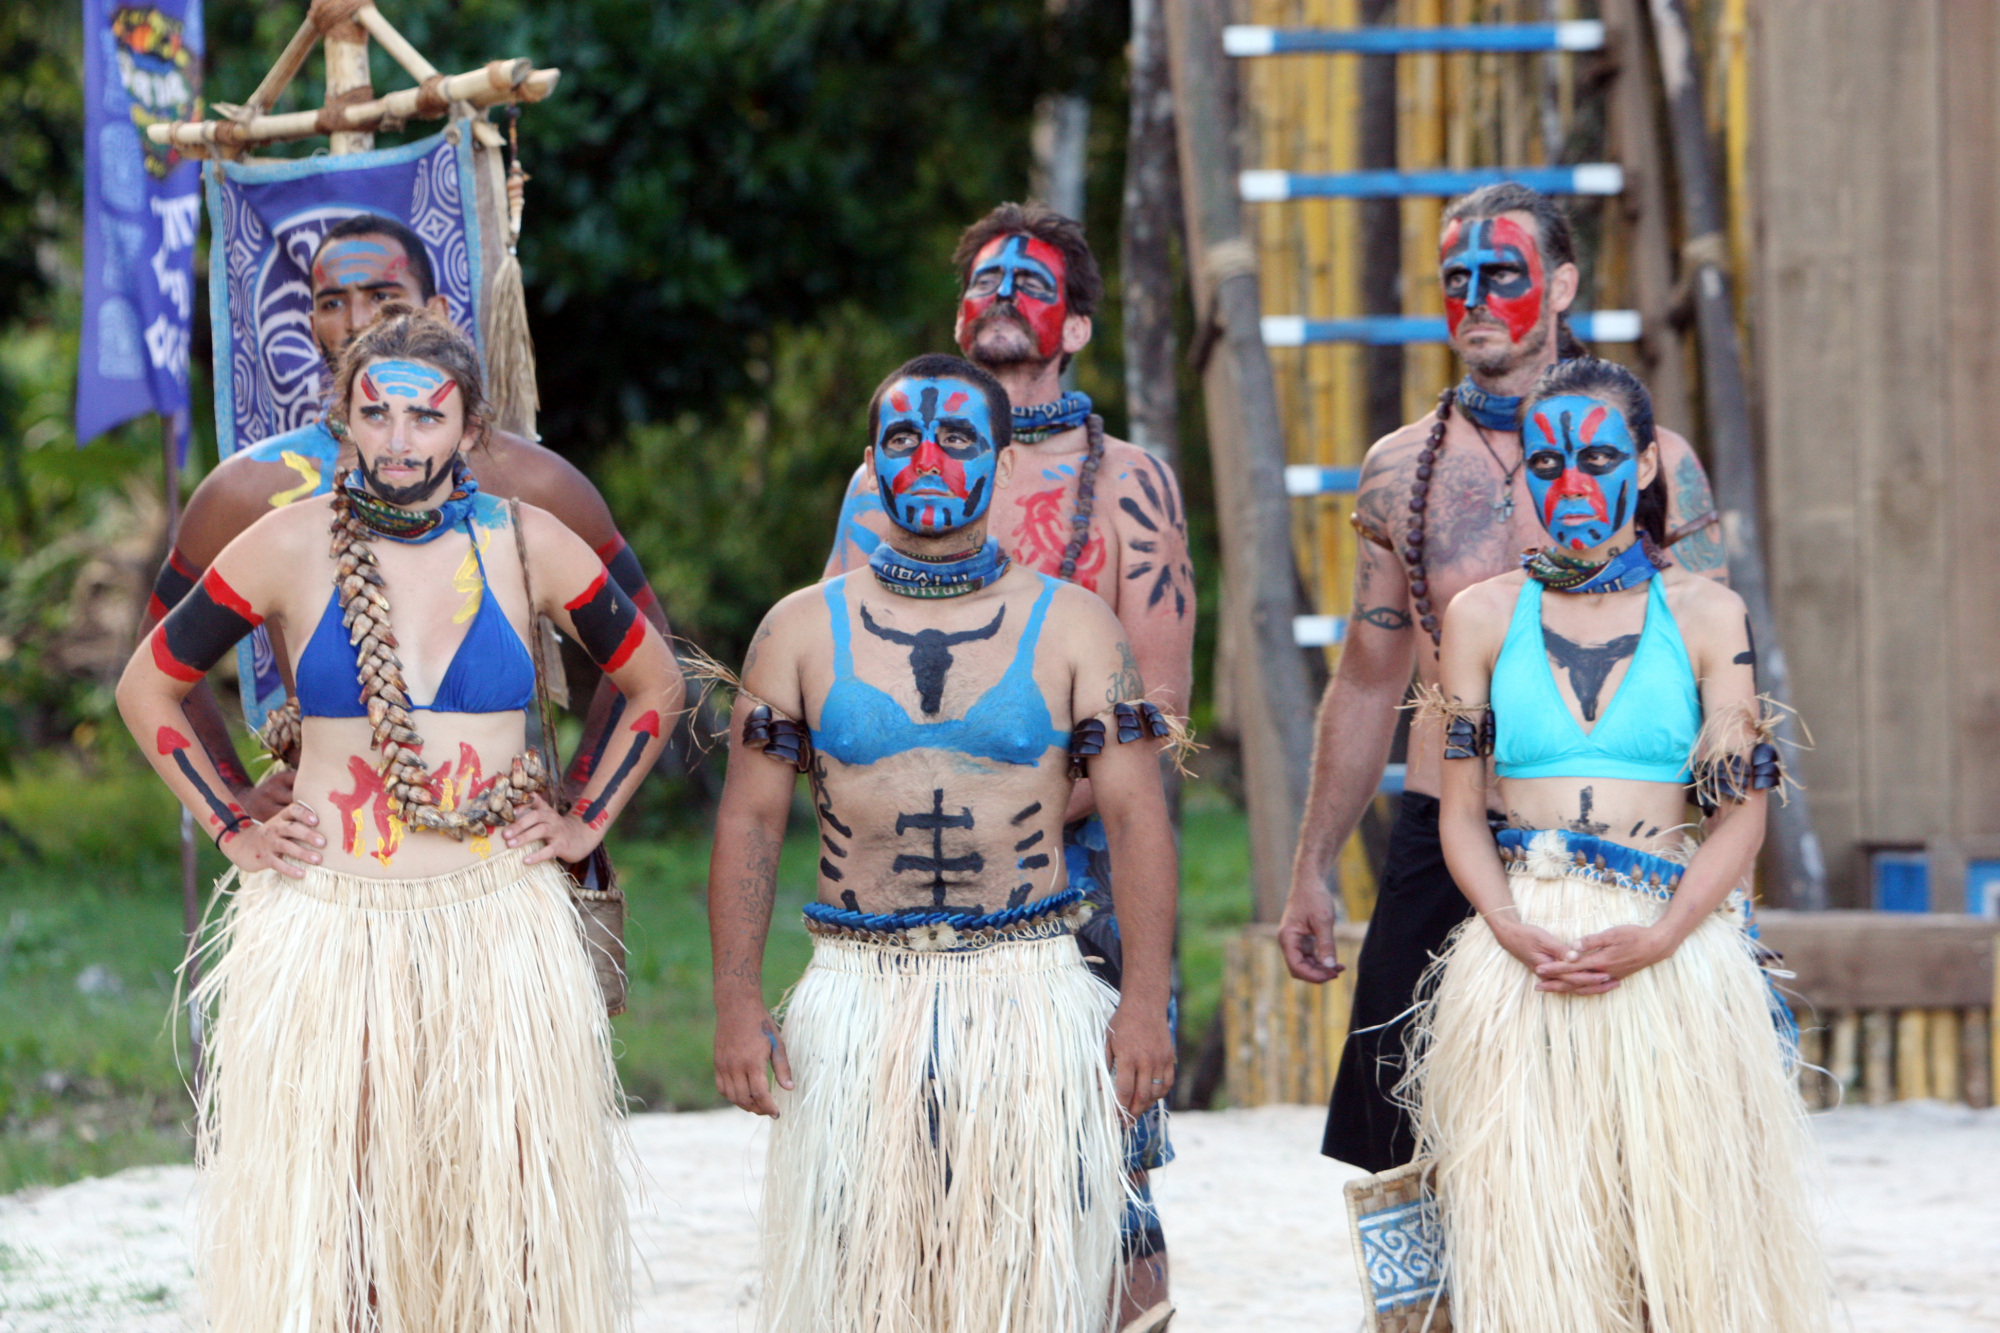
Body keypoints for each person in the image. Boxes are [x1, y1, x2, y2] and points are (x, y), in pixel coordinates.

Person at [116, 307, 682, 1331]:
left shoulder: (528, 543)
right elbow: (146, 684)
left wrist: (584, 820)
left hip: (495, 918)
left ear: (469, 431)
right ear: (345, 422)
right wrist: (231, 825)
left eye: (426, 416)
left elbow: (652, 681)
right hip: (332, 919)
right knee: (337, 1207)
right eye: (374, 413)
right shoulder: (283, 543)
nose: (398, 437)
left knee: (503, 1208)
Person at [713, 353, 1178, 1333]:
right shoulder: (798, 630)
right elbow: (749, 820)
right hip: (857, 991)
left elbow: (1136, 815)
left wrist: (1141, 1004)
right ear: (870, 467)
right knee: (872, 1276)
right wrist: (736, 1002)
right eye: (901, 440)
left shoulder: (1074, 627)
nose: (927, 459)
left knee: (1025, 1279)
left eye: (958, 438)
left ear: (1005, 467)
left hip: (1026, 983)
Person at [1278, 183, 1731, 1173]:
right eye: (1454, 280)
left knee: (1629, 1152)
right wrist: (1312, 861)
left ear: (1561, 283)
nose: (1474, 297)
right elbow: (1365, 678)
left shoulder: (1654, 465)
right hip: (1446, 827)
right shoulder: (1402, 470)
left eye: (1501, 275)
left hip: (1616, 843)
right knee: (1403, 1149)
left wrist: (1705, 875)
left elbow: (1712, 679)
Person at [824, 204, 1192, 1323]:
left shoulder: (1129, 484)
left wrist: (1022, 809)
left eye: (1025, 284)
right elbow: (840, 672)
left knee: (1106, 1172)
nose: (995, 298)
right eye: (980, 282)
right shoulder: (876, 483)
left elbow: (1160, 708)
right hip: (910, 877)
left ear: (1076, 326)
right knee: (916, 1171)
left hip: (1078, 861)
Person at [1406, 355, 1826, 1330]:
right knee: (1539, 1233)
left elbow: (1739, 817)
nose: (1570, 485)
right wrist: (1507, 928)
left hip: (1664, 950)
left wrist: (1664, 934)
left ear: (1643, 465)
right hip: (1523, 955)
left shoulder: (1705, 615)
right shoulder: (1478, 617)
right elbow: (1458, 811)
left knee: (1671, 1240)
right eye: (1545, 465)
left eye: (1596, 458)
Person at [144, 211, 668, 821]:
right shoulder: (246, 491)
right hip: (330, 847)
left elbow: (650, 646)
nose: (360, 319)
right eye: (333, 301)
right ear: (310, 321)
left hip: (493, 850)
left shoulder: (534, 486)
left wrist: (578, 798)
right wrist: (235, 798)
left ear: (437, 310)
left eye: (383, 295)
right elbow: (154, 657)